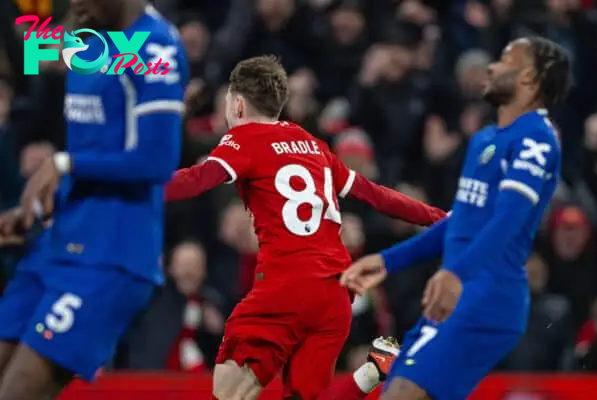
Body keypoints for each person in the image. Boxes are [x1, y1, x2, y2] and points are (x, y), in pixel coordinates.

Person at [163, 55, 447, 400]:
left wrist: (130, 184)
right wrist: (442, 219)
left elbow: (196, 180)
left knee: (228, 394)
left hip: (285, 287)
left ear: (237, 104)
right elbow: (378, 196)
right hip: (335, 294)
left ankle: (373, 372)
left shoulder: (243, 138)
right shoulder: (313, 146)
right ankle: (372, 372)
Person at [341, 36, 571, 400]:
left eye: (506, 61)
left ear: (530, 78)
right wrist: (388, 261)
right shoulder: (485, 140)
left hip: (489, 296)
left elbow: (508, 220)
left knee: (400, 394)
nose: (492, 68)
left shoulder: (536, 140)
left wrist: (455, 273)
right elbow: (460, 223)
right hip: (458, 295)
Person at [0, 1, 187, 399]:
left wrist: (65, 163)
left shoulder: (156, 49)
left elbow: (157, 160)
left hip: (110, 257)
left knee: (16, 391)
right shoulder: (91, 43)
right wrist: (30, 209)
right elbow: (22, 53)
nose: (75, 3)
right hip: (56, 244)